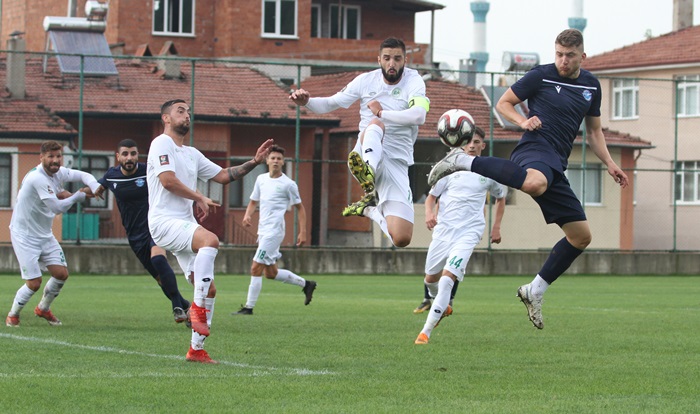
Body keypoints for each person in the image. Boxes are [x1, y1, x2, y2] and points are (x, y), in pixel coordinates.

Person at [428, 29, 629, 329]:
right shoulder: (540, 76)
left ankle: (534, 290)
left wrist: (611, 163)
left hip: (556, 164)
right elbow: (503, 104)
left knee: (581, 236)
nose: (563, 60)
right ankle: (463, 161)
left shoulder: (591, 85)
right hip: (534, 149)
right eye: (559, 54)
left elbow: (594, 132)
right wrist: (523, 121)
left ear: (582, 57)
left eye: (570, 55)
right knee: (534, 182)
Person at [147, 99, 274, 363]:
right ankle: (195, 309)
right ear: (166, 119)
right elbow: (167, 181)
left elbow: (224, 175)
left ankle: (196, 350)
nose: (187, 115)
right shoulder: (161, 144)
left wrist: (254, 161)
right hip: (163, 221)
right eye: (180, 111)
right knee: (211, 239)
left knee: (210, 289)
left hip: (183, 225)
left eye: (189, 111)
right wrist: (199, 197)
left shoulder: (191, 153)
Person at [289, 37, 430, 247]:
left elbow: (419, 116)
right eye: (387, 58)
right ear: (379, 59)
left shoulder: (414, 81)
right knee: (374, 124)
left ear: (405, 60)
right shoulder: (365, 81)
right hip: (366, 152)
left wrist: (383, 111)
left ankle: (369, 210)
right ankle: (368, 171)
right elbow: (330, 103)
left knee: (401, 238)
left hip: (397, 162)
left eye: (397, 59)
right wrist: (307, 102)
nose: (392, 63)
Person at [415, 131, 507, 344]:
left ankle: (425, 332)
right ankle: (441, 304)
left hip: (469, 232)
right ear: (461, 143)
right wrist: (429, 214)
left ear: (483, 146)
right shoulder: (449, 169)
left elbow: (500, 198)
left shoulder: (488, 172)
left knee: (448, 279)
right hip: (444, 231)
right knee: (431, 279)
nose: (472, 146)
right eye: (469, 142)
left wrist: (496, 227)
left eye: (477, 142)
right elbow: (431, 198)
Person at [5, 140, 101, 327]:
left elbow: (84, 175)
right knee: (34, 283)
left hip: (44, 234)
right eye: (51, 156)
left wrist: (96, 186)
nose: (55, 160)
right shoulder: (37, 178)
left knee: (61, 274)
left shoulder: (58, 172)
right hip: (24, 235)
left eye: (58, 156)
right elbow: (57, 207)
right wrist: (78, 196)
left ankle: (43, 308)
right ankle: (13, 314)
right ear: (41, 158)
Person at [95, 139, 191, 324]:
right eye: (125, 154)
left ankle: (176, 307)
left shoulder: (149, 171)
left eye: (133, 153)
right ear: (118, 157)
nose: (129, 158)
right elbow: (98, 187)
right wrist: (90, 190)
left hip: (155, 225)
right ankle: (185, 306)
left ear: (138, 155)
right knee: (160, 279)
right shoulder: (111, 175)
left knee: (158, 258)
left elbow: (172, 181)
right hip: (134, 235)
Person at [232, 145, 316, 315]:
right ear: (267, 160)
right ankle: (306, 284)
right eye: (273, 158)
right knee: (271, 273)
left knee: (255, 268)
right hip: (262, 231)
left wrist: (303, 231)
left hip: (274, 232)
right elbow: (253, 201)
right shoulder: (261, 179)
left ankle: (248, 307)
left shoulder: (288, 184)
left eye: (279, 158)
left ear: (283, 162)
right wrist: (247, 215)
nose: (276, 161)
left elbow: (300, 208)